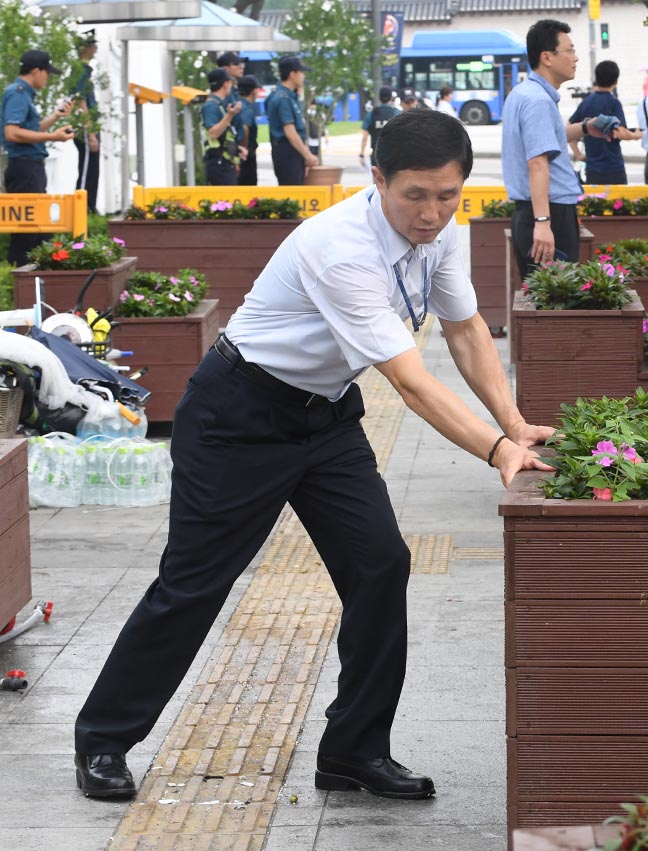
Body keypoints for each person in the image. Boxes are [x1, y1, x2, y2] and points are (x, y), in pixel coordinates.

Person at [72, 108, 556, 802]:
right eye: (415, 196)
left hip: (324, 416)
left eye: (447, 195)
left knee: (380, 563)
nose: (431, 213)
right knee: (195, 582)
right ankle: (103, 739)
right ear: (377, 178)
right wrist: (496, 450)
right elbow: (412, 383)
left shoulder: (446, 231)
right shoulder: (339, 246)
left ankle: (354, 751)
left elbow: (466, 327)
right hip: (238, 413)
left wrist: (514, 420)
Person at [501, 19, 619, 278]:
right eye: (570, 50)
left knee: (544, 301)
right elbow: (537, 162)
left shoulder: (524, 93)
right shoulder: (538, 101)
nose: (576, 58)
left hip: (536, 210)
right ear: (547, 57)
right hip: (548, 211)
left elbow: (546, 138)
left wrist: (586, 127)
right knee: (555, 305)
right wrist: (544, 224)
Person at [2, 50, 75, 266]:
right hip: (24, 169)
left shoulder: (24, 94)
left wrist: (55, 117)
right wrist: (53, 136)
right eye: (46, 72)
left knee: (40, 232)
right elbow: (12, 133)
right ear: (36, 71)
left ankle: (31, 284)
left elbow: (30, 131)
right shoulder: (17, 92)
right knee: (27, 234)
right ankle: (16, 285)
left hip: (30, 169)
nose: (47, 77)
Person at [569, 60, 641, 185]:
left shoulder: (586, 102)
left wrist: (579, 155)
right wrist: (636, 135)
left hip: (592, 168)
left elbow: (569, 128)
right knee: (618, 203)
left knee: (595, 203)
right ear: (616, 81)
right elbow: (620, 132)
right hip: (613, 167)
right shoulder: (614, 103)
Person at [265, 56, 317, 185]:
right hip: (287, 152)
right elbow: (291, 133)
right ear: (292, 74)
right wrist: (308, 156)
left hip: (292, 151)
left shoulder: (286, 95)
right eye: (301, 72)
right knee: (293, 194)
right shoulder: (283, 98)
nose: (303, 76)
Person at [70, 30, 100, 213]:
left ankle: (90, 207)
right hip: (85, 128)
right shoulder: (80, 70)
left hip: (89, 127)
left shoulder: (85, 69)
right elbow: (80, 101)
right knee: (87, 169)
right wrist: (90, 133)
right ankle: (83, 209)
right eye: (92, 45)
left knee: (92, 169)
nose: (95, 48)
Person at [201, 69, 243, 186]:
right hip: (218, 162)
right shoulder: (211, 106)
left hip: (224, 161)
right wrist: (230, 115)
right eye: (230, 83)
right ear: (225, 84)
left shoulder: (218, 104)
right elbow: (213, 133)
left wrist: (237, 149)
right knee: (225, 202)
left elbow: (225, 135)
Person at [359, 86, 400, 168]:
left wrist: (362, 154)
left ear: (379, 97)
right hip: (392, 155)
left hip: (376, 155)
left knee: (377, 179)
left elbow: (365, 137)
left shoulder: (371, 114)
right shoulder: (396, 113)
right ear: (391, 97)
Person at [236, 75, 261, 186]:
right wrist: (244, 150)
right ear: (253, 91)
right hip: (246, 155)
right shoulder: (246, 109)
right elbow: (245, 128)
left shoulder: (237, 104)